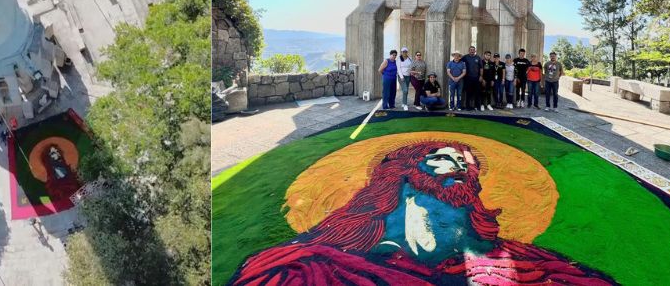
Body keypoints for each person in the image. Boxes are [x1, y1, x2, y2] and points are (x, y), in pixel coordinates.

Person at [230, 141, 616, 285]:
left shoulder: (514, 257)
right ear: (406, 168)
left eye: (467, 163)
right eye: (445, 157)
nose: (461, 165)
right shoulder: (305, 267)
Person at [461, 46, 482, 111]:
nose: (472, 51)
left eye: (473, 50)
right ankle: (468, 106)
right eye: (471, 50)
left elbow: (481, 68)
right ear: (469, 50)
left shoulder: (478, 57)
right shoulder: (465, 57)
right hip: (468, 78)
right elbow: (460, 63)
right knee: (468, 93)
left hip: (476, 78)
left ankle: (477, 106)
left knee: (477, 92)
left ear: (475, 51)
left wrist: (481, 76)